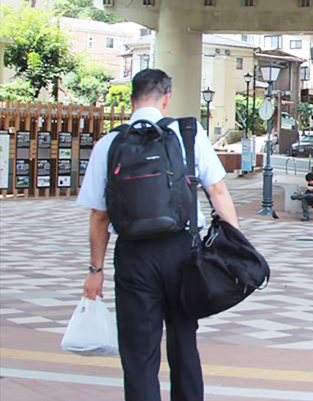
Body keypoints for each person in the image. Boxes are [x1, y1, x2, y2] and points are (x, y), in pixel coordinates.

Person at [78, 69, 239, 401]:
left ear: (131, 100)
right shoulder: (188, 134)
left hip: (133, 256)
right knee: (183, 340)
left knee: (138, 352)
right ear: (167, 98)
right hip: (182, 253)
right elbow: (218, 190)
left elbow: (99, 215)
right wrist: (236, 246)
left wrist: (95, 270)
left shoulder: (109, 144)